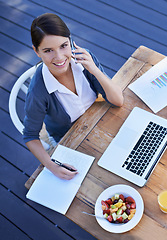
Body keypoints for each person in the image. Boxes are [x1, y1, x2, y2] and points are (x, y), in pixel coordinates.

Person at [23, 13, 124, 180]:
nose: (60, 57)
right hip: (69, 139)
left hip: (97, 123)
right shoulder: (38, 91)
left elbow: (118, 100)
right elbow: (30, 136)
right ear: (36, 51)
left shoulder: (83, 60)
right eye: (48, 50)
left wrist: (94, 69)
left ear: (70, 41)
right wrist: (52, 166)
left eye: (64, 46)